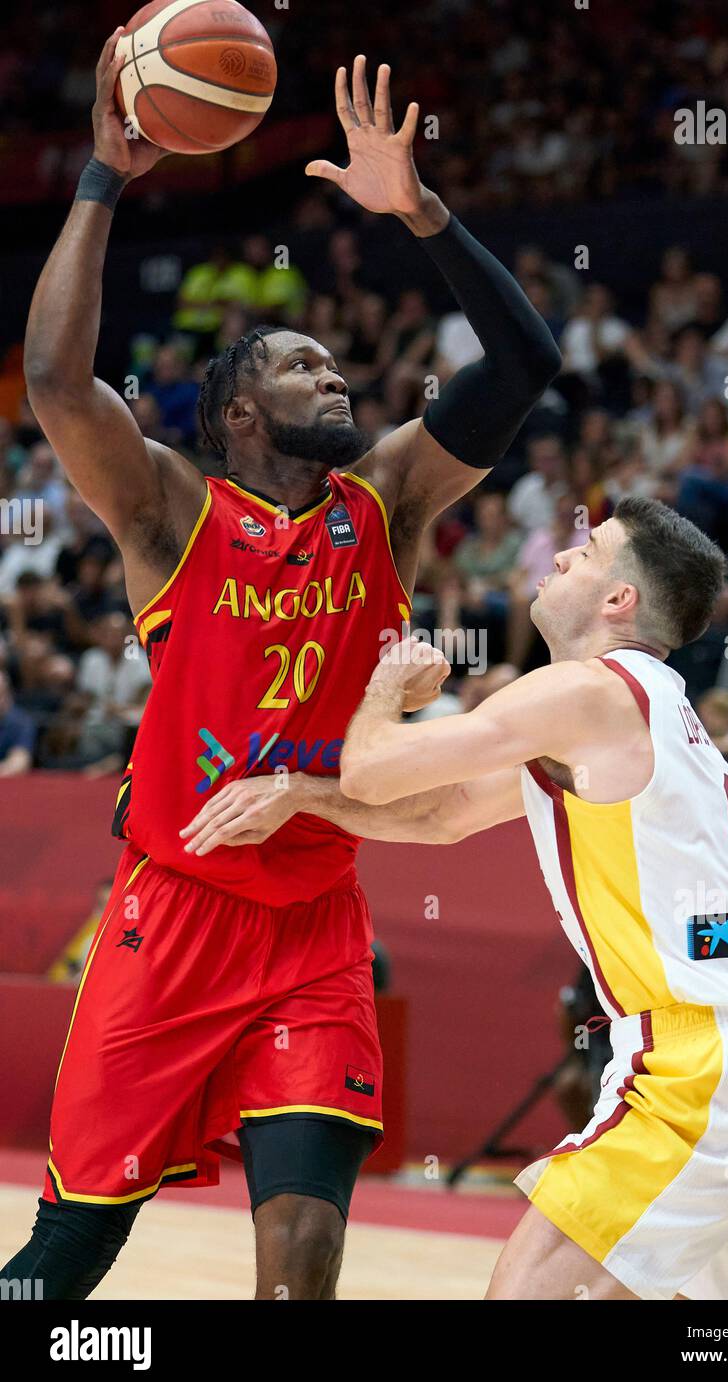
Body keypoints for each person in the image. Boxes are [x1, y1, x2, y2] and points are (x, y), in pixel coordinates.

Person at [1, 40, 560, 1303]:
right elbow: (52, 378)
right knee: (64, 1262)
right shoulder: (168, 513)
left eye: (334, 360)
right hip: (171, 918)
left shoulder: (388, 504)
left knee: (301, 1271)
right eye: (301, 364)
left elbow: (526, 366)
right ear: (239, 411)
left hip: (316, 928)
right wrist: (101, 173)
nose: (336, 374)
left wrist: (420, 212)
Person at [187, 497, 728, 1300]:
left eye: (587, 552)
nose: (561, 557)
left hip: (700, 1069)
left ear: (618, 600)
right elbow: (441, 811)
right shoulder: (656, 709)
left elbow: (374, 767)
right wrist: (298, 794)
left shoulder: (586, 693)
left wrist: (389, 684)